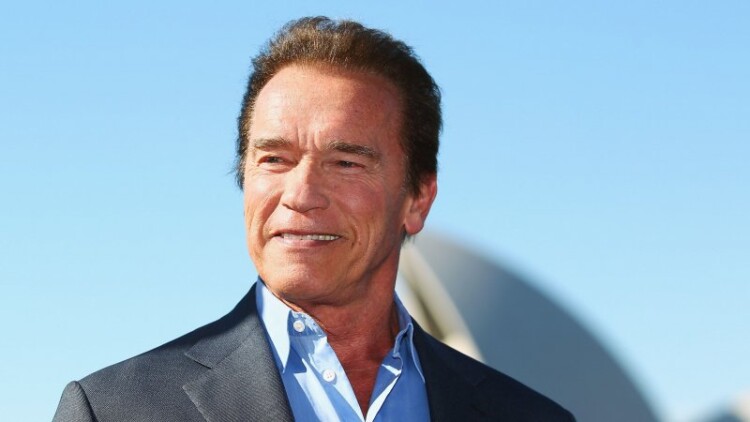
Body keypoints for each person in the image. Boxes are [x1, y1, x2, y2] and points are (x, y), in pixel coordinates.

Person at [53, 17, 575, 422]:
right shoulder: (113, 410)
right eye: (274, 159)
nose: (300, 195)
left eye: (345, 163)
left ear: (418, 199)